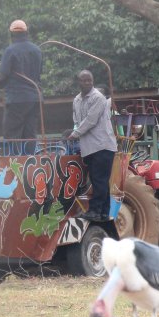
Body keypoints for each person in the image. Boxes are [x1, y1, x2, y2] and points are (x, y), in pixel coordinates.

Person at [65, 70, 117, 221]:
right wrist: (74, 131)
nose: (87, 83)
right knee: (99, 180)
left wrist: (75, 134)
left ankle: (95, 210)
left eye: (90, 80)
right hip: (89, 147)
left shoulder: (98, 97)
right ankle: (104, 213)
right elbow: (76, 120)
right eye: (84, 80)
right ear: (79, 82)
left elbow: (90, 120)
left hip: (102, 145)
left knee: (99, 179)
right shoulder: (76, 100)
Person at [0, 19, 43, 144]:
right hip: (35, 98)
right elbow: (39, 72)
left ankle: (14, 156)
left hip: (16, 98)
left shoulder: (10, 50)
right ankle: (29, 156)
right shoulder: (37, 50)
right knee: (30, 133)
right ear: (26, 33)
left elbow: (3, 76)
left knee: (12, 133)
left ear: (11, 34)